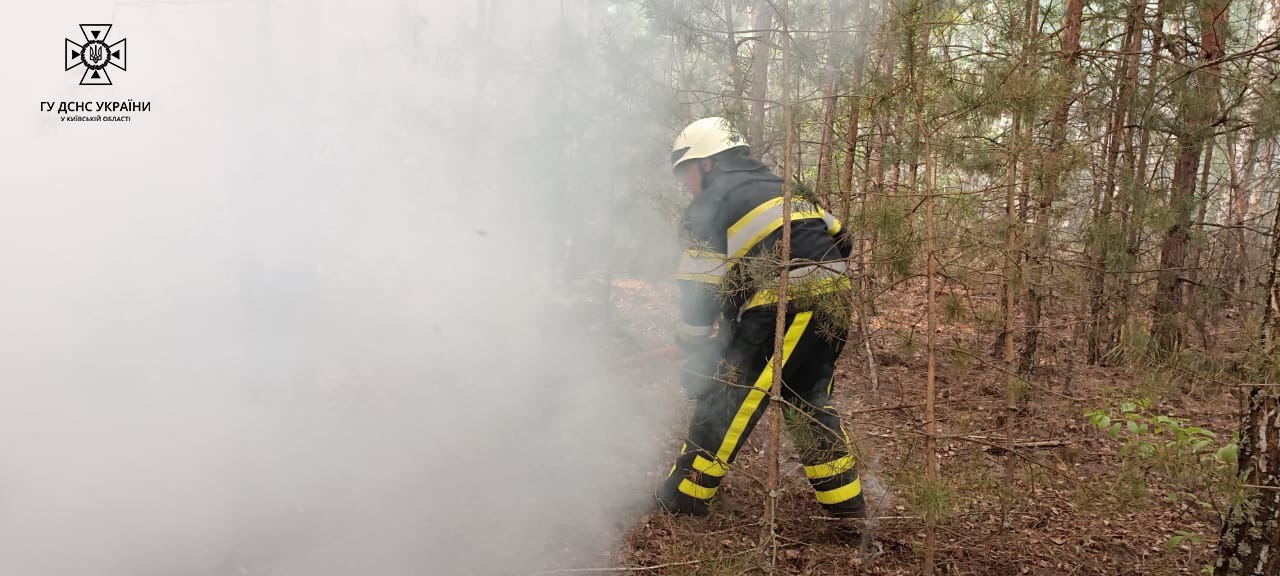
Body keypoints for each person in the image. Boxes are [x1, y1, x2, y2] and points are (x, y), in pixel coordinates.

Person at [656, 117, 865, 518]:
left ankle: (684, 498)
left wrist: (693, 340)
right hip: (835, 305)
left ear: (708, 163)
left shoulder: (710, 204)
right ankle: (848, 511)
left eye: (686, 171)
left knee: (727, 393)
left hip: (786, 309)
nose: (685, 184)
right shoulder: (788, 187)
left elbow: (700, 289)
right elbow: (844, 239)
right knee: (807, 401)